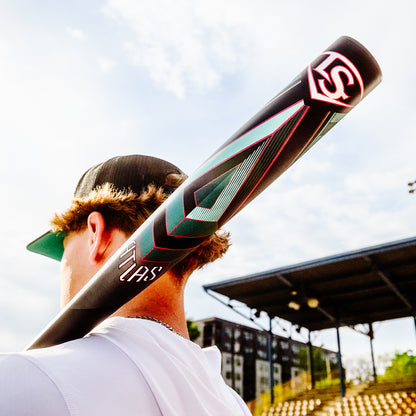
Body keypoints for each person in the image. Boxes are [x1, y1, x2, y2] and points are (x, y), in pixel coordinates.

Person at [0, 154, 252, 415]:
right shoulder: (232, 404)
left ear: (96, 235)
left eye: (63, 249)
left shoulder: (28, 378)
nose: (61, 266)